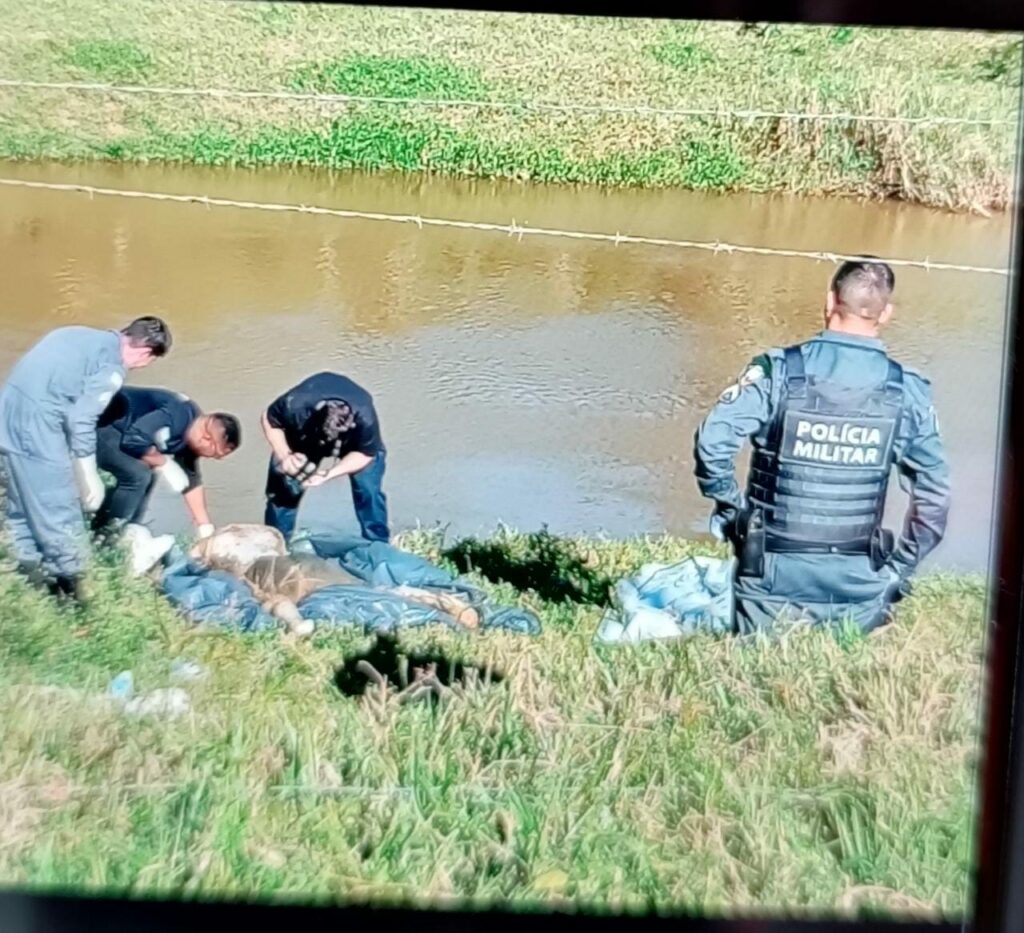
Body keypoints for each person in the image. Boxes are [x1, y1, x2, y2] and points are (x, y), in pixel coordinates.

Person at [693, 258, 950, 635]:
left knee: (757, 671)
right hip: (859, 582)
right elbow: (936, 494)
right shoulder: (905, 391)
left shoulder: (778, 372)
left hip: (769, 575)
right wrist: (899, 570)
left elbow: (711, 445)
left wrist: (736, 517)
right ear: (885, 314)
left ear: (829, 302)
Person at [0, 317, 172, 601]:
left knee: (22, 503)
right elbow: (80, 418)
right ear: (146, 353)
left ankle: (26, 576)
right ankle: (69, 593)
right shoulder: (112, 369)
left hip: (6, 414)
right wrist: (87, 472)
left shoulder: (72, 333)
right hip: (38, 427)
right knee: (60, 507)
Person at [92, 386, 241, 573]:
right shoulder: (175, 416)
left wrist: (205, 527)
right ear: (206, 439)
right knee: (138, 475)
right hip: (100, 423)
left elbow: (190, 480)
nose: (215, 459)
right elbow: (133, 439)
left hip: (122, 430)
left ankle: (127, 528)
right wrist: (163, 462)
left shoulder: (193, 433)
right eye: (216, 454)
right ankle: (109, 535)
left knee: (148, 473)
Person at [260, 371, 389, 544]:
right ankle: (277, 543)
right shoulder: (296, 403)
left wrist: (329, 474)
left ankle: (378, 543)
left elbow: (366, 454)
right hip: (307, 436)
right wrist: (285, 456)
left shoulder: (364, 417)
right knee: (285, 487)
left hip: (354, 445)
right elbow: (269, 419)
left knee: (368, 490)